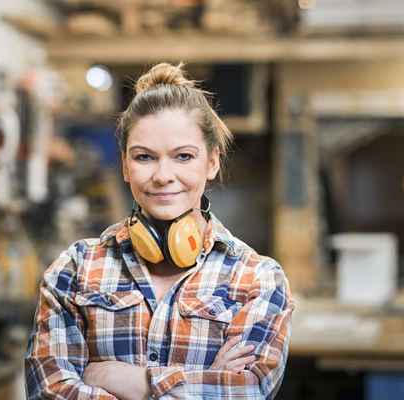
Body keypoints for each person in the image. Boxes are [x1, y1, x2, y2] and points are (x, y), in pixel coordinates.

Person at [24, 62, 294, 399]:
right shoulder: (75, 268)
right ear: (125, 165)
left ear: (211, 162)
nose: (163, 175)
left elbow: (248, 390)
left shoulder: (258, 278)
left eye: (183, 156)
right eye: (144, 157)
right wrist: (204, 380)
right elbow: (50, 392)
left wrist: (127, 380)